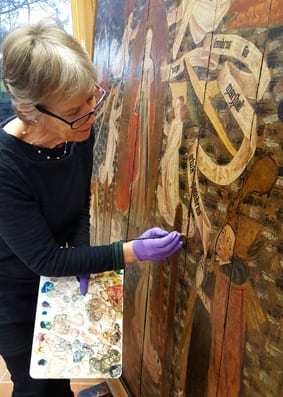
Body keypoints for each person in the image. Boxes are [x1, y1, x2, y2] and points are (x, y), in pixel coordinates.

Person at [0, 20, 182, 397]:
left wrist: (83, 256)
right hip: (11, 295)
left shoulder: (76, 129)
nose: (91, 114)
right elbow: (45, 259)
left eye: (91, 98)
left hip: (51, 279)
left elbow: (79, 203)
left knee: (59, 378)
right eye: (75, 108)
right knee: (35, 388)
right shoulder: (5, 167)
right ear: (29, 110)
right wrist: (131, 251)